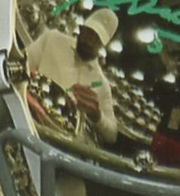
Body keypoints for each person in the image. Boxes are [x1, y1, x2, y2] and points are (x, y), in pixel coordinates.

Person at [25, 9, 120, 143]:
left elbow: (112, 134)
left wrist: (97, 115)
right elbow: (22, 63)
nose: (90, 42)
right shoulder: (52, 39)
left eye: (97, 39)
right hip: (26, 114)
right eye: (89, 33)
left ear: (103, 44)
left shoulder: (101, 84)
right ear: (82, 28)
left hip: (55, 140)